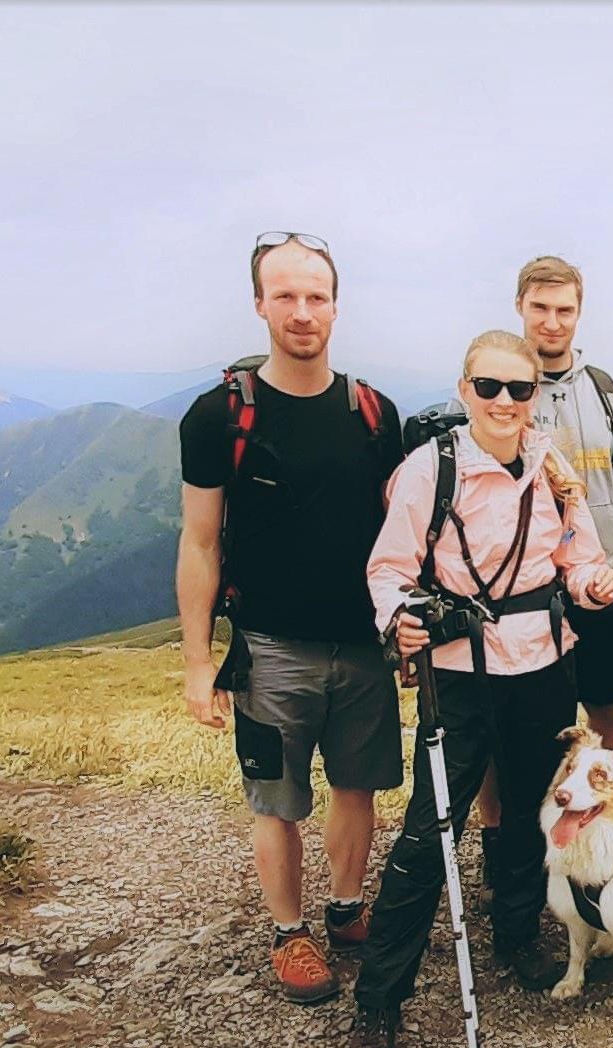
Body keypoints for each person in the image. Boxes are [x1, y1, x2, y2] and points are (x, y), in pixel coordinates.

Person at [346, 330, 613, 1048]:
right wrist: (397, 618)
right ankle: (379, 1002)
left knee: (540, 802)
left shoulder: (552, 468)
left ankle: (516, 936)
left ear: (536, 393)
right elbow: (390, 569)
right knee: (432, 824)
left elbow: (578, 554)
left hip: (543, 662)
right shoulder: (429, 471)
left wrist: (594, 584)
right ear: (466, 389)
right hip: (459, 671)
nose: (506, 403)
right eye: (491, 387)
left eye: (520, 389)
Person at [176, 232, 406, 1006]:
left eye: (316, 296)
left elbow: (398, 530)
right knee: (275, 799)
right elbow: (200, 542)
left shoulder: (376, 414)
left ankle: (345, 910)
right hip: (270, 647)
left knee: (356, 789)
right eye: (286, 296)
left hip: (364, 644)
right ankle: (288, 931)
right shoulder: (219, 417)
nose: (302, 312)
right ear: (259, 305)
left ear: (336, 305)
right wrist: (198, 663)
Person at [463, 256, 613, 877]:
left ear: (580, 313)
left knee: (604, 712)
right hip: (517, 590)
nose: (552, 321)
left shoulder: (608, 394)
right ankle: (508, 849)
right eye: (540, 308)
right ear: (520, 306)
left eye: (565, 309)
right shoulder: (497, 390)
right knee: (510, 731)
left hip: (596, 582)